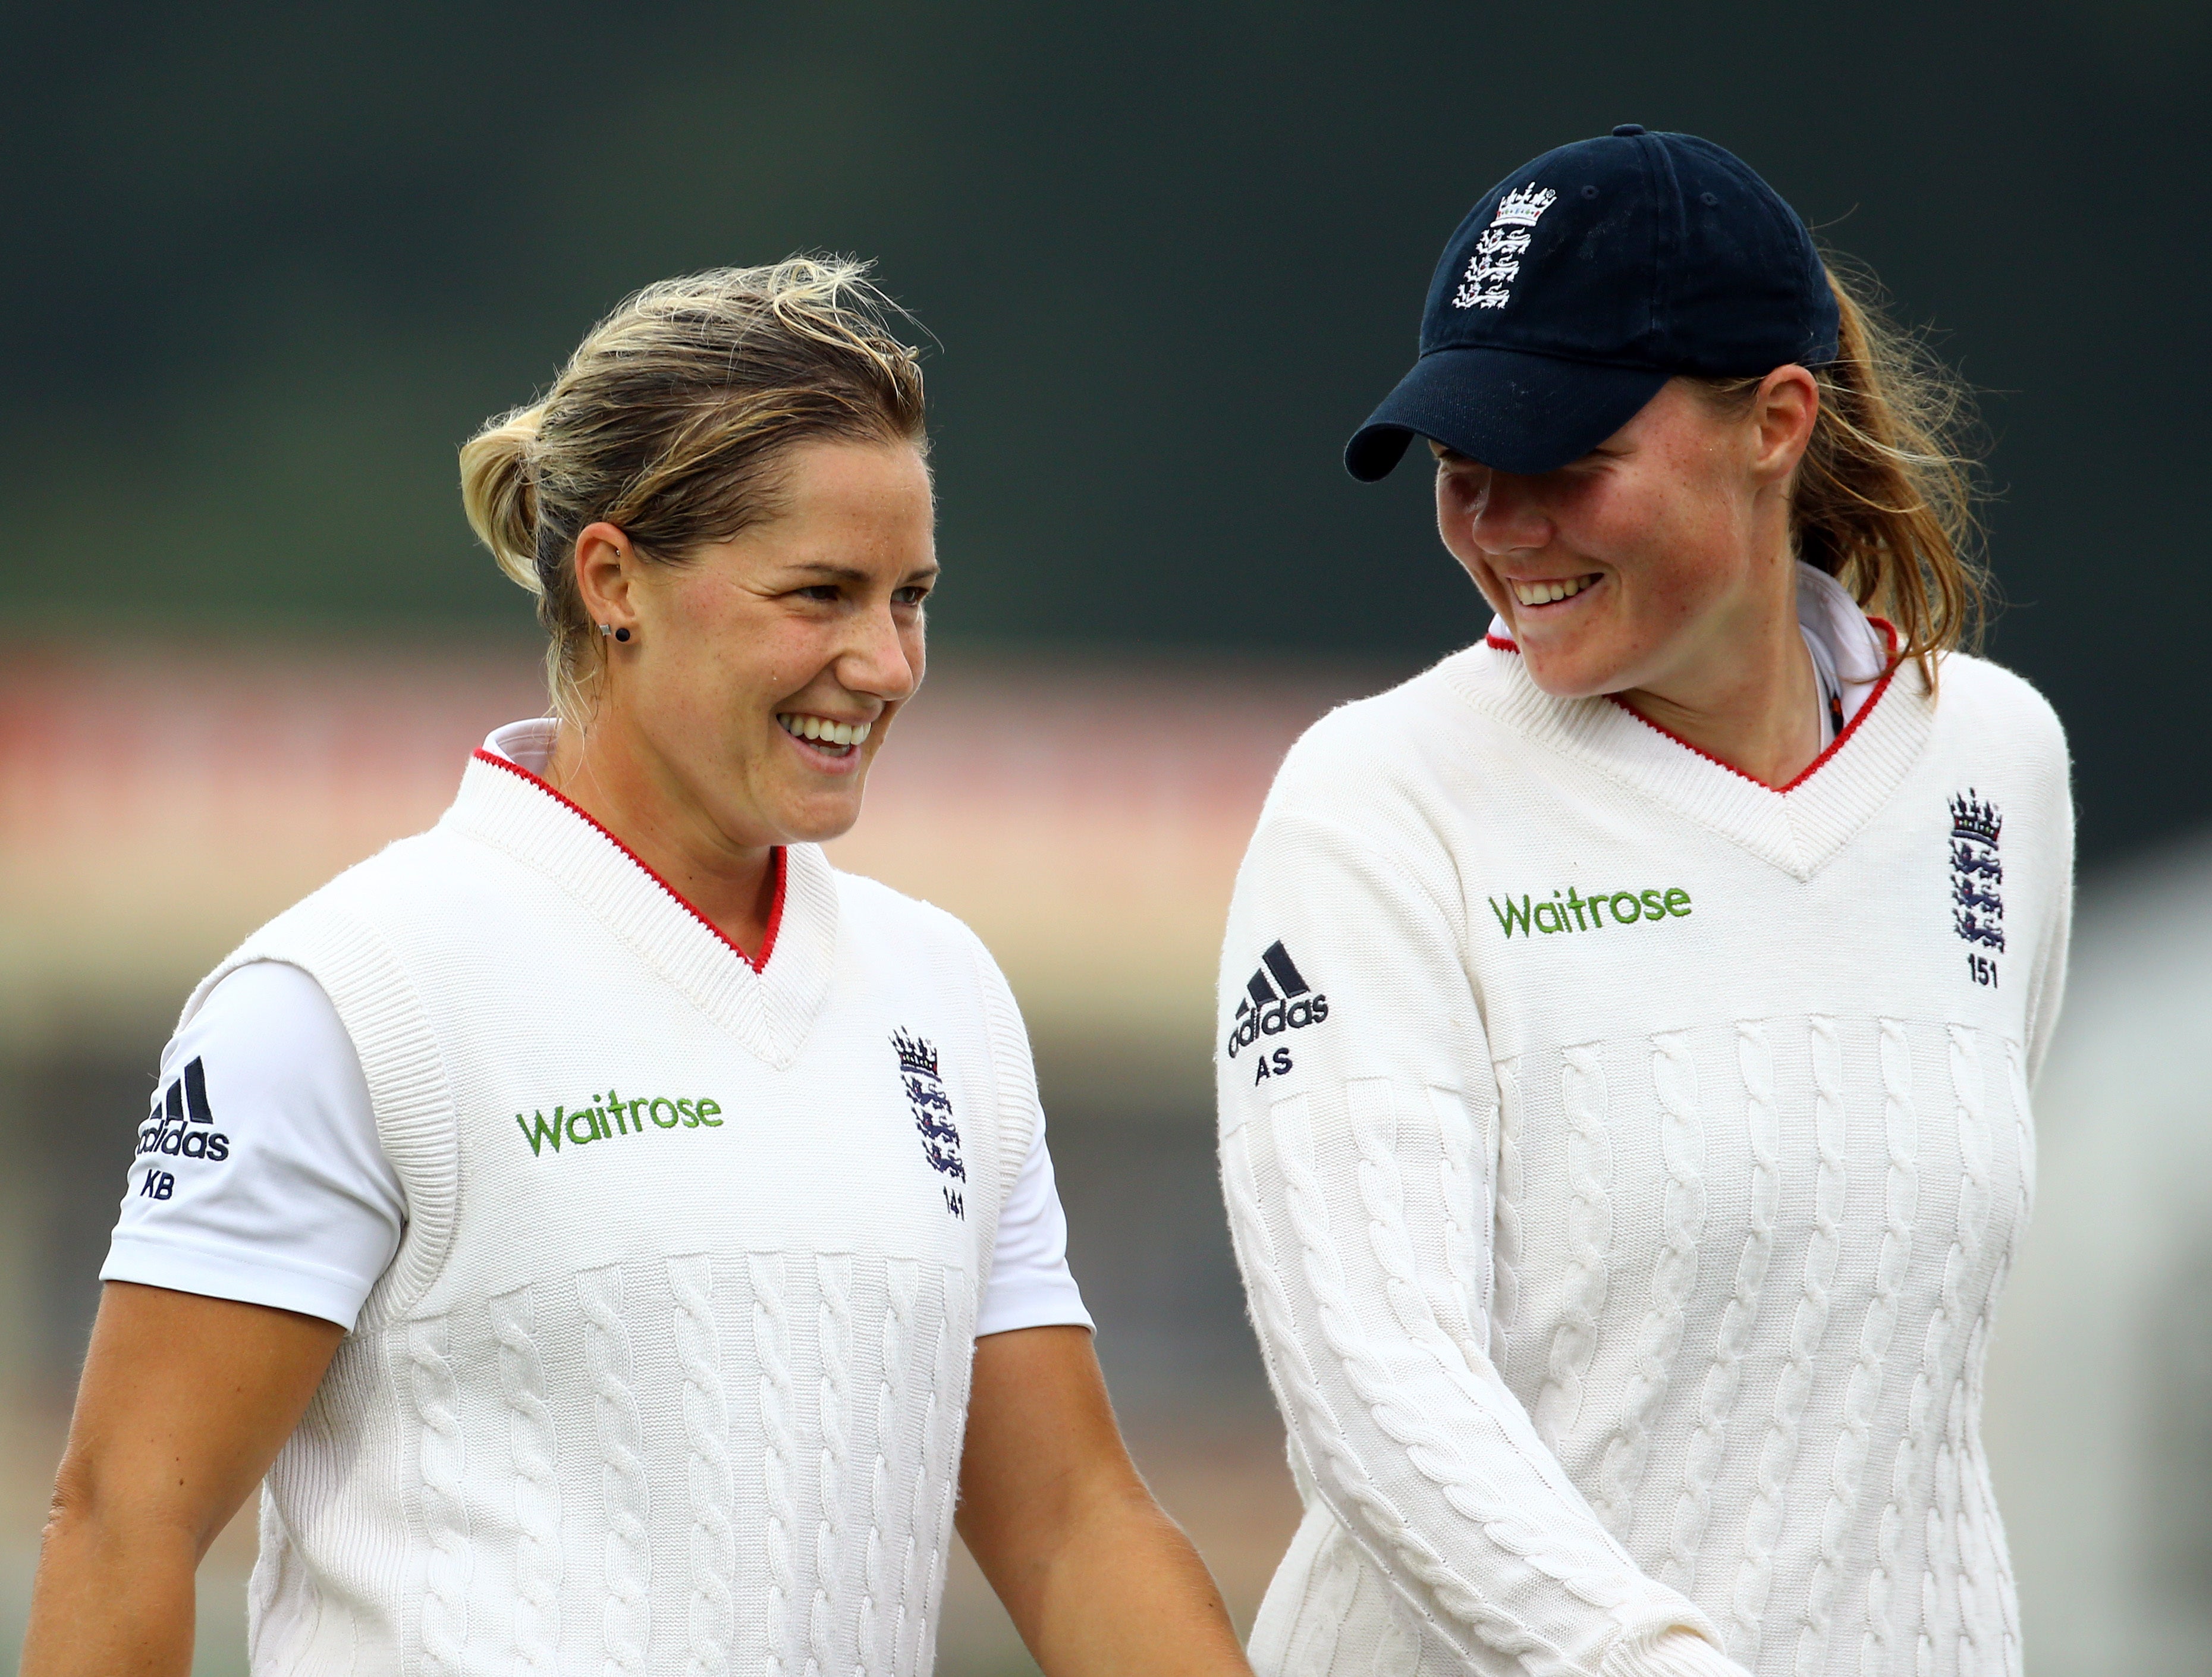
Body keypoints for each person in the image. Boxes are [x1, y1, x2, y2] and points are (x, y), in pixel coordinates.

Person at [26, 259, 1252, 1677]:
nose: (886, 661)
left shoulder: (944, 991)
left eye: (910, 596)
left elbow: (1072, 1528)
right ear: (613, 581)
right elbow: (122, 1525)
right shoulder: (346, 993)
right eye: (821, 594)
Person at [1215, 128, 2069, 1677]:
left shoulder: (1996, 764)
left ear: (1777, 421)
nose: (1498, 522)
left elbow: (1910, 1374)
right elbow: (1373, 1376)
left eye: (1562, 460)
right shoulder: (1378, 801)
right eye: (1461, 467)